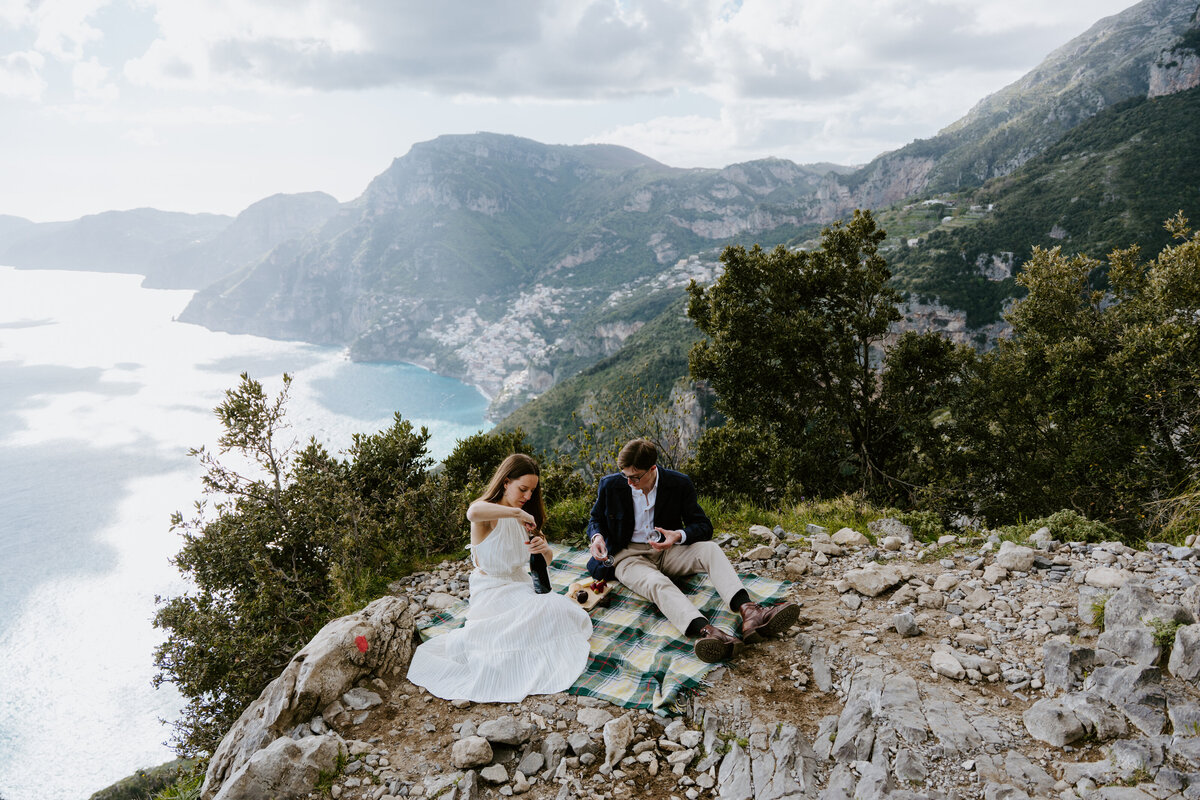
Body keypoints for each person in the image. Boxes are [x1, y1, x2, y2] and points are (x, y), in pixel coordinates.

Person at [586, 439, 799, 663]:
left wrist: (678, 535)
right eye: (625, 476)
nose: (629, 482)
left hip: (668, 550)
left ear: (652, 468)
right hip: (628, 556)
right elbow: (595, 520)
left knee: (710, 550)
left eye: (635, 476)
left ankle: (750, 612)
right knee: (656, 583)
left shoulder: (679, 483)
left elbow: (703, 526)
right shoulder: (610, 485)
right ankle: (710, 634)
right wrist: (597, 537)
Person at [407, 454, 592, 702]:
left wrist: (544, 550)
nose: (527, 497)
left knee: (561, 610)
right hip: (491, 588)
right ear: (506, 482)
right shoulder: (490, 514)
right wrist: (516, 513)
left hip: (519, 584)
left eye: (532, 491)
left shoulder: (525, 519)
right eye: (522, 489)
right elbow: (472, 511)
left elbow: (544, 561)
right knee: (532, 620)